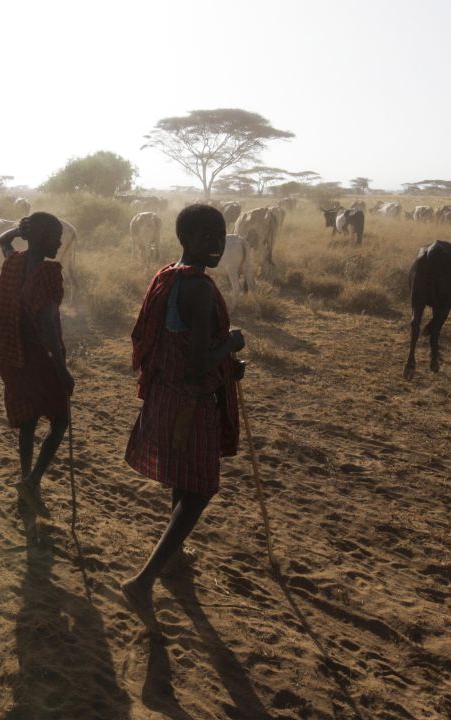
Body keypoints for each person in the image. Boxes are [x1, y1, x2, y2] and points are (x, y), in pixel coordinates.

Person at [120, 204, 246, 613]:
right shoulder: (199, 288)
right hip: (190, 402)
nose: (218, 244)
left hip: (165, 394)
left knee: (183, 478)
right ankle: (144, 580)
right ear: (187, 238)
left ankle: (173, 557)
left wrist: (223, 358)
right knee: (201, 490)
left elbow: (177, 340)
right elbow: (197, 365)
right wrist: (230, 346)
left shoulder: (167, 275)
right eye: (208, 236)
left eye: (221, 236)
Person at [0, 212, 74, 518]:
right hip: (38, 357)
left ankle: (25, 482)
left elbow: (2, 241)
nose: (60, 242)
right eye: (54, 236)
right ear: (40, 237)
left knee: (28, 422)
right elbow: (47, 324)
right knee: (59, 421)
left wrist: (16, 231)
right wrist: (62, 370)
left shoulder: (14, 262)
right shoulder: (48, 273)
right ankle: (32, 483)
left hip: (13, 354)